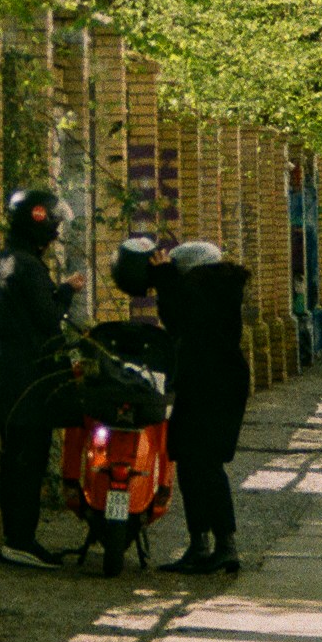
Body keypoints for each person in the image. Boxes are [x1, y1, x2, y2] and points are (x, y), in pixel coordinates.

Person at [113, 234, 251, 576]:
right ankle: (205, 545)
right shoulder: (219, 289)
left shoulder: (201, 293)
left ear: (190, 272)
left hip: (208, 384)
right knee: (196, 464)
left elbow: (179, 317)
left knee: (203, 464)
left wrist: (163, 277)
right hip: (218, 383)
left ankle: (220, 545)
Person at [0, 185, 82, 567]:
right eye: (53, 227)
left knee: (13, 457)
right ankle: (20, 539)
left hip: (2, 375)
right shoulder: (28, 267)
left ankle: (16, 536)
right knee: (28, 460)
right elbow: (46, 317)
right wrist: (66, 292)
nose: (55, 235)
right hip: (28, 379)